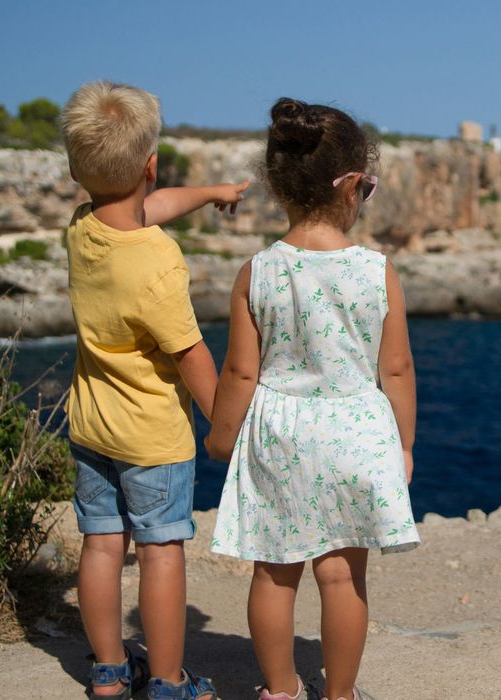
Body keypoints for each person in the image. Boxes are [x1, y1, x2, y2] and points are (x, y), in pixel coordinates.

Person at [205, 97, 420, 700]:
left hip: (281, 431)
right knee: (342, 575)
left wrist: (221, 438)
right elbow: (396, 369)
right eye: (369, 188)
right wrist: (402, 447)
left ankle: (280, 689)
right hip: (355, 431)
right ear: (352, 185)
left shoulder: (258, 271)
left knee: (274, 574)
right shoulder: (377, 272)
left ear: (279, 185)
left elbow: (241, 374)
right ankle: (341, 694)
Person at [61, 79, 248, 700]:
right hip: (153, 440)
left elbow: (150, 205)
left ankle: (110, 672)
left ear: (75, 168)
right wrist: (227, 427)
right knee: (162, 550)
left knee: (100, 542)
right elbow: (191, 353)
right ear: (151, 162)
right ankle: (169, 681)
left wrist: (212, 194)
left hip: (91, 428)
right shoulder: (158, 261)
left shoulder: (82, 228)